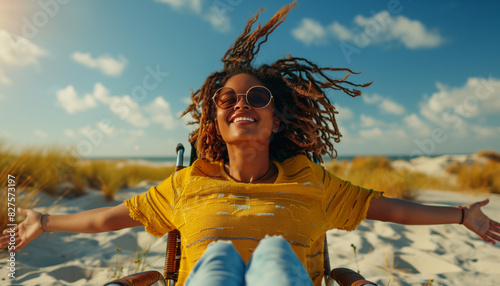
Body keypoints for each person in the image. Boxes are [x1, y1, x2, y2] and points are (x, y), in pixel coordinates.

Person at [2, 2, 500, 286]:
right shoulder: (187, 182)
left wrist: (462, 216)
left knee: (273, 257)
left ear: (277, 119)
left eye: (256, 97)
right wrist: (45, 221)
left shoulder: (310, 180)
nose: (241, 104)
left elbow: (388, 210)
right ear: (214, 121)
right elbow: (110, 218)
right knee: (218, 260)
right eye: (227, 99)